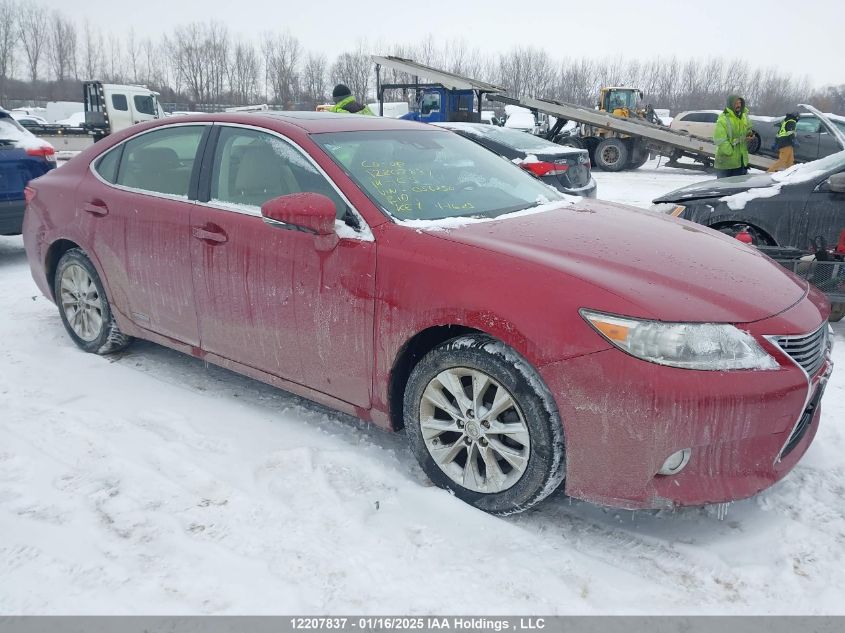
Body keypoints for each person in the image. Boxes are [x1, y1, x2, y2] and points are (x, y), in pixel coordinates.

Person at [713, 94, 754, 178]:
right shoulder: (723, 119)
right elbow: (719, 140)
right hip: (726, 164)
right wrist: (730, 152)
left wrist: (750, 134)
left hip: (741, 162)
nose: (738, 105)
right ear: (730, 104)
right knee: (724, 189)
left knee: (739, 190)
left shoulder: (744, 117)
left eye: (740, 103)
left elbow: (748, 129)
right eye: (736, 103)